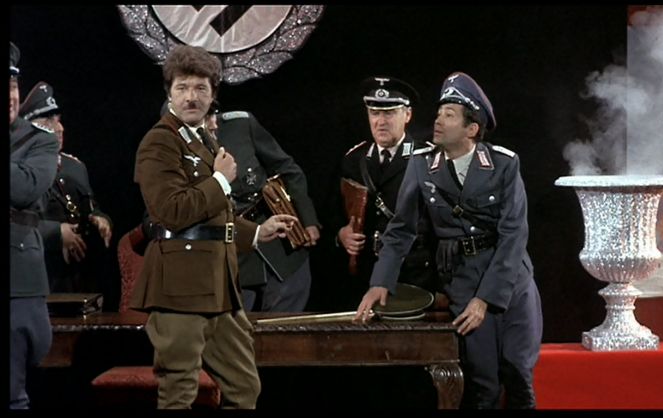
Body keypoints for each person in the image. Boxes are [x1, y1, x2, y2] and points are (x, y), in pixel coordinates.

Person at [355, 72, 543, 409]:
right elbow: (401, 230)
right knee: (483, 384)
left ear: (471, 129)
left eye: (450, 115)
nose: (438, 121)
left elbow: (514, 235)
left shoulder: (503, 164)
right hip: (462, 278)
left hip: (510, 280)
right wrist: (380, 282)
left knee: (518, 375)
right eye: (439, 113)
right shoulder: (422, 165)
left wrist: (485, 299)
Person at [131, 44, 296, 409]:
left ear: (213, 94)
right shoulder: (160, 141)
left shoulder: (203, 140)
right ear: (169, 93)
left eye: (200, 88)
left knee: (244, 387)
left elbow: (213, 219)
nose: (191, 96)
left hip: (219, 287)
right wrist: (220, 181)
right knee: (179, 390)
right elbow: (171, 212)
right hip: (180, 286)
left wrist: (257, 232)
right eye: (183, 88)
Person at [335, 76, 437, 306]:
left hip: (414, 271)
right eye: (374, 113)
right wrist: (341, 234)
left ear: (407, 115)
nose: (381, 121)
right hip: (366, 273)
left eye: (389, 113)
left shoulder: (427, 158)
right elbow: (333, 211)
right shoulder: (354, 159)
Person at [214, 104, 321, 312]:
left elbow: (287, 169)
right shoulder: (176, 144)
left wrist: (307, 218)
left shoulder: (239, 124)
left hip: (279, 242)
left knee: (286, 325)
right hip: (232, 251)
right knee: (237, 327)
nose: (211, 122)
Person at [19, 81, 113, 293]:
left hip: (79, 279)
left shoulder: (75, 167)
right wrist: (56, 233)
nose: (59, 128)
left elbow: (90, 207)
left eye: (58, 120)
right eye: (48, 121)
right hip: (38, 277)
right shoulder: (18, 170)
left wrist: (100, 219)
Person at [9, 41, 60, 409]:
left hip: (18, 279)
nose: (9, 96)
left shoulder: (40, 142)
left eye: (12, 86)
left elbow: (25, 188)